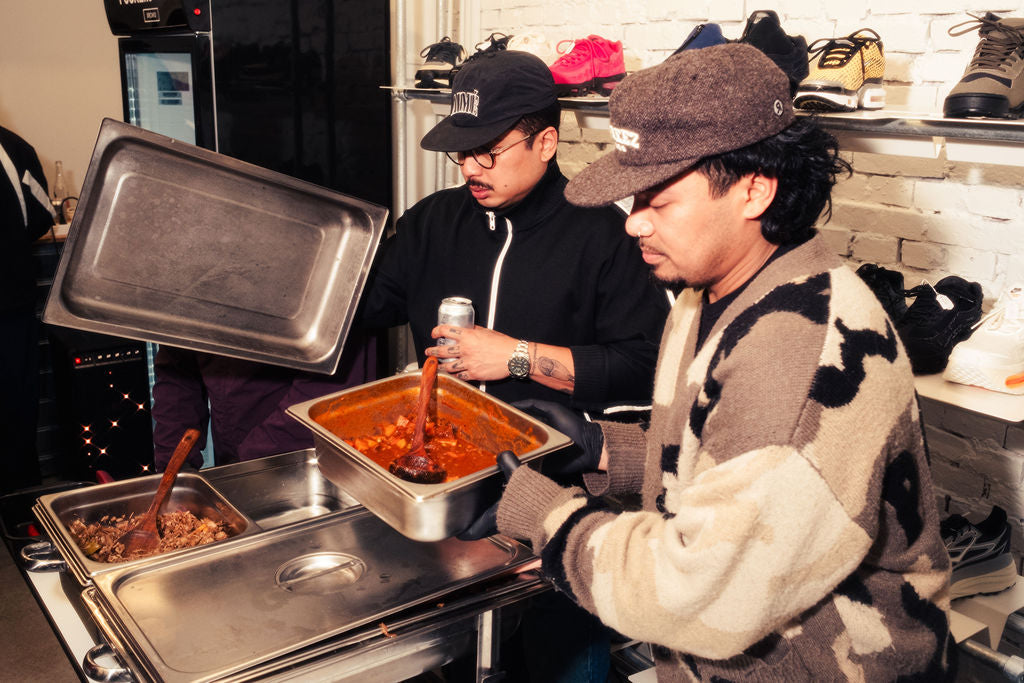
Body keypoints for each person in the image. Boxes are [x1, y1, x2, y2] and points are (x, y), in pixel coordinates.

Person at [493, 44, 953, 681]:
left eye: (658, 201)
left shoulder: (794, 358)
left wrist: (545, 515)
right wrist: (603, 450)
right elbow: (723, 455)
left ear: (754, 190)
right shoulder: (711, 289)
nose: (633, 225)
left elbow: (701, 597)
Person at [357, 50, 670, 682]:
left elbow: (646, 367)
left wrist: (517, 357)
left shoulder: (607, 235)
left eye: (488, 152)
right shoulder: (431, 223)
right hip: (447, 488)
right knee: (452, 659)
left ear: (545, 142)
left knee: (560, 662)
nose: (470, 168)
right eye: (461, 152)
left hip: (563, 497)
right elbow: (363, 308)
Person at [151, 330, 378, 471]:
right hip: (235, 463)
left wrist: (250, 464)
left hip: (314, 464)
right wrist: (175, 464)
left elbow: (329, 392)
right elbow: (177, 374)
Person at [0, 125, 56, 495]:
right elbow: (42, 213)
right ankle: (21, 506)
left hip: (11, 304)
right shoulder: (11, 146)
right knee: (16, 411)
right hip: (10, 304)